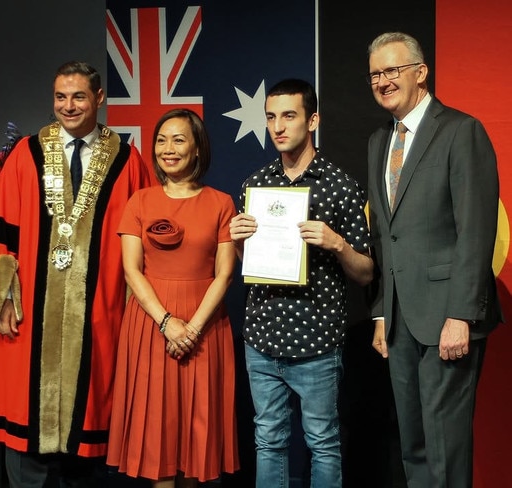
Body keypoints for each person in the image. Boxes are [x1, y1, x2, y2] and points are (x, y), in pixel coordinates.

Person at [0, 60, 151, 487]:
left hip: (100, 310)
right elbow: (2, 225)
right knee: (26, 432)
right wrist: (0, 297)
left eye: (79, 96)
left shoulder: (127, 158)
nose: (69, 106)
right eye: (61, 97)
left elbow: (144, 236)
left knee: (91, 433)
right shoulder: (27, 152)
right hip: (32, 314)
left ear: (99, 98)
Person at [366, 32, 502, 488]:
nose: (383, 81)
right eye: (375, 74)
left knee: (445, 448)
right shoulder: (377, 142)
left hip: (447, 316)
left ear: (421, 73)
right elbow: (387, 235)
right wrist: (382, 311)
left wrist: (461, 313)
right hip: (400, 318)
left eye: (392, 70)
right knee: (414, 446)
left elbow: (476, 231)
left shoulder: (462, 131)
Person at [230, 79, 373, 488]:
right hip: (262, 338)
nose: (278, 126)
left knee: (323, 443)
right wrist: (240, 244)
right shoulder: (255, 184)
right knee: (268, 442)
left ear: (312, 120)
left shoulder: (340, 186)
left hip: (317, 341)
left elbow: (365, 272)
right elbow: (251, 267)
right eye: (271, 117)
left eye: (289, 116)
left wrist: (337, 244)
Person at [106, 108, 239, 487]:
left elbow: (225, 273)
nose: (169, 148)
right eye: (162, 140)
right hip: (150, 324)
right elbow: (132, 271)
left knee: (197, 437)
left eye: (179, 139)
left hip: (205, 326)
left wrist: (192, 329)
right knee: (158, 439)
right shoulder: (140, 201)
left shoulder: (222, 202)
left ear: (198, 148)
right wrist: (167, 322)